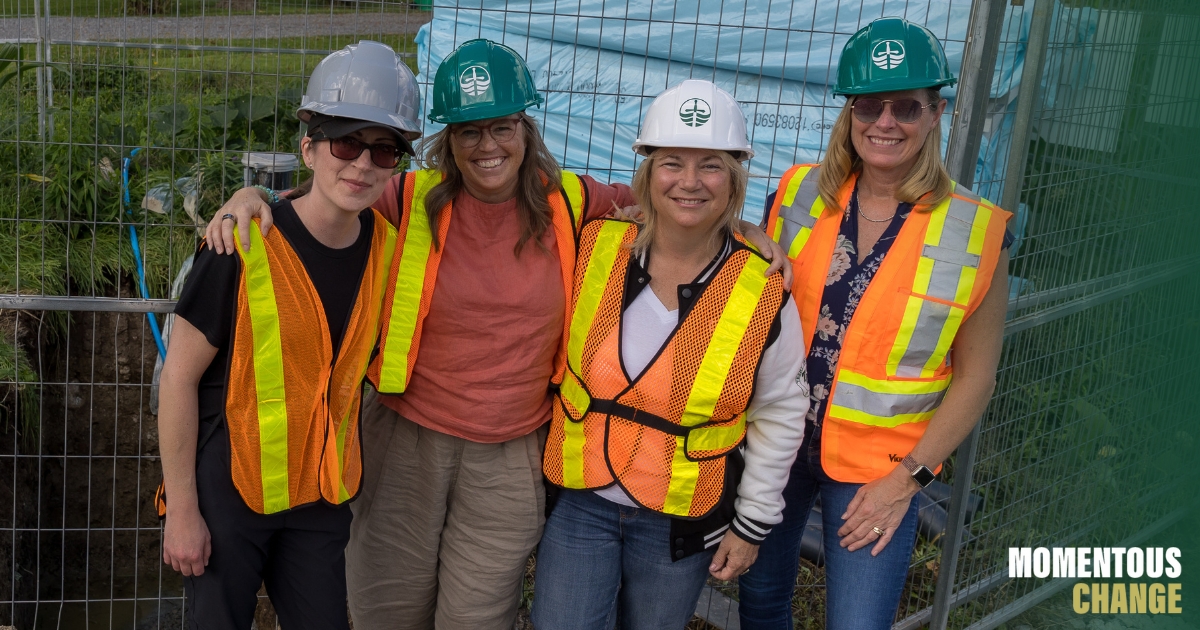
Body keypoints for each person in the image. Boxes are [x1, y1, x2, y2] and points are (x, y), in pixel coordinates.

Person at [205, 40, 791, 630]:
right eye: (469, 131)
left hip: (510, 457)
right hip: (404, 442)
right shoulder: (406, 200)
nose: (488, 147)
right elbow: (322, 200)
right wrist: (252, 197)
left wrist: (738, 225)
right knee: (387, 610)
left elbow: (675, 198)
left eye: (503, 128)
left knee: (476, 618)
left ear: (526, 129)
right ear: (448, 141)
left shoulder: (573, 202)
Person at [737, 17, 1013, 630]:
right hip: (776, 439)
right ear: (850, 112)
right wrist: (753, 233)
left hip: (878, 469)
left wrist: (907, 480)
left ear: (936, 113)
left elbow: (977, 378)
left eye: (906, 107)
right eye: (869, 105)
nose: (885, 122)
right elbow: (753, 266)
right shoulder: (800, 189)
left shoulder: (977, 228)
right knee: (759, 603)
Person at [155, 40, 419, 629]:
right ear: (309, 148)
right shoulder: (240, 245)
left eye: (384, 151)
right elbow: (177, 379)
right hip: (230, 494)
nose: (362, 165)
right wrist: (183, 511)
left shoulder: (385, 251)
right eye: (347, 142)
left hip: (320, 499)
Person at [530, 79, 809, 630]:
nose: (689, 182)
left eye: (710, 165)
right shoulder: (594, 246)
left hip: (680, 515)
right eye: (671, 163)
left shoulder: (761, 289)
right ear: (646, 173)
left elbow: (779, 411)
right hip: (583, 499)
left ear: (734, 180)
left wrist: (751, 523)